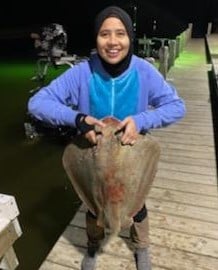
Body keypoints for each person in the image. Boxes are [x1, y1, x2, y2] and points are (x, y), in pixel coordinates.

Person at [27, 6, 186, 270]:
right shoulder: (81, 72)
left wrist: (141, 120)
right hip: (94, 155)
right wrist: (76, 119)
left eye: (120, 34)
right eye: (105, 34)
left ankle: (142, 246)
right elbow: (37, 103)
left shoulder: (144, 71)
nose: (113, 42)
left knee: (137, 206)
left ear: (130, 38)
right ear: (96, 38)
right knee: (93, 205)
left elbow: (177, 106)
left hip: (131, 153)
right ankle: (93, 244)